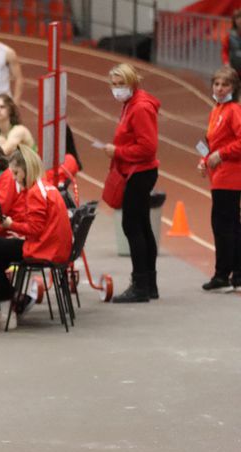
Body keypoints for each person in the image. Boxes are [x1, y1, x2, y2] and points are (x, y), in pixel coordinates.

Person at [0, 146, 72, 330]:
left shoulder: (35, 193)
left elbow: (35, 229)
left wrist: (11, 225)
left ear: (26, 170)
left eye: (16, 172)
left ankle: (8, 310)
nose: (13, 177)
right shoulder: (44, 187)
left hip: (44, 249)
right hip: (53, 246)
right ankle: (9, 309)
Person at [102, 63, 160, 303]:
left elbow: (148, 147)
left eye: (121, 84)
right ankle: (149, 283)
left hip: (140, 172)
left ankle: (140, 285)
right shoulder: (130, 105)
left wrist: (118, 151)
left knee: (132, 226)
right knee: (143, 227)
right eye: (114, 85)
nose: (117, 89)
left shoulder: (140, 108)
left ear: (132, 82)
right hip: (137, 171)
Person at [198, 66, 241, 291]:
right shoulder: (216, 110)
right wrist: (204, 159)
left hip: (230, 176)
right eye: (217, 84)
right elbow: (210, 140)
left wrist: (220, 154)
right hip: (219, 176)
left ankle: (224, 273)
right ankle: (233, 273)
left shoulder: (233, 110)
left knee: (225, 225)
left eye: (225, 85)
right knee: (229, 224)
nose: (220, 88)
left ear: (233, 88)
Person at [222, 9, 241, 77]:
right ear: (235, 20)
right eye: (238, 18)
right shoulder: (229, 35)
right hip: (233, 70)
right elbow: (224, 51)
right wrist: (226, 63)